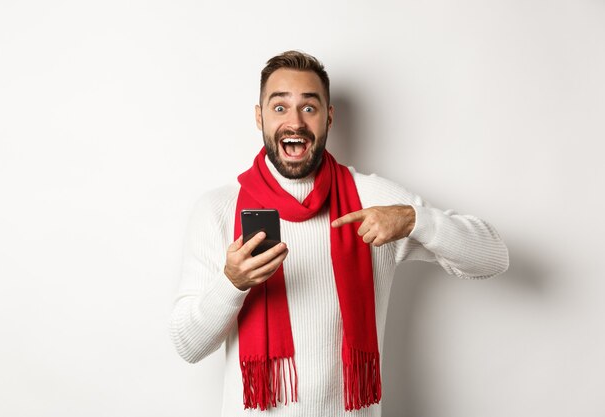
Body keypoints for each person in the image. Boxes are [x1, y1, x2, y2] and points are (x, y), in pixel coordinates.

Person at [169, 50, 509, 417]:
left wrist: (415, 220)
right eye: (280, 107)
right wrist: (232, 283)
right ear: (259, 117)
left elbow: (494, 257)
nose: (295, 122)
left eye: (309, 108)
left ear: (329, 117)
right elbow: (189, 345)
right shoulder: (218, 210)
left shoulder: (372, 199)